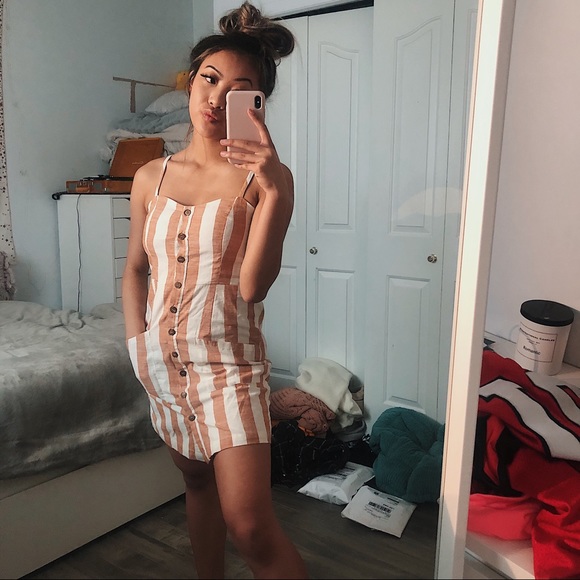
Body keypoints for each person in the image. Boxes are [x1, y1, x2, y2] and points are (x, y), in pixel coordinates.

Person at [122, 2, 308, 578]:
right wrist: (136, 343)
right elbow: (135, 269)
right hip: (162, 364)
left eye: (238, 91)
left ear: (257, 105)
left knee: (250, 525)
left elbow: (253, 288)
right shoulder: (149, 176)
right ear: (191, 82)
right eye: (209, 79)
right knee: (197, 484)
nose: (215, 98)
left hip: (229, 367)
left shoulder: (267, 181)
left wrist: (276, 194)